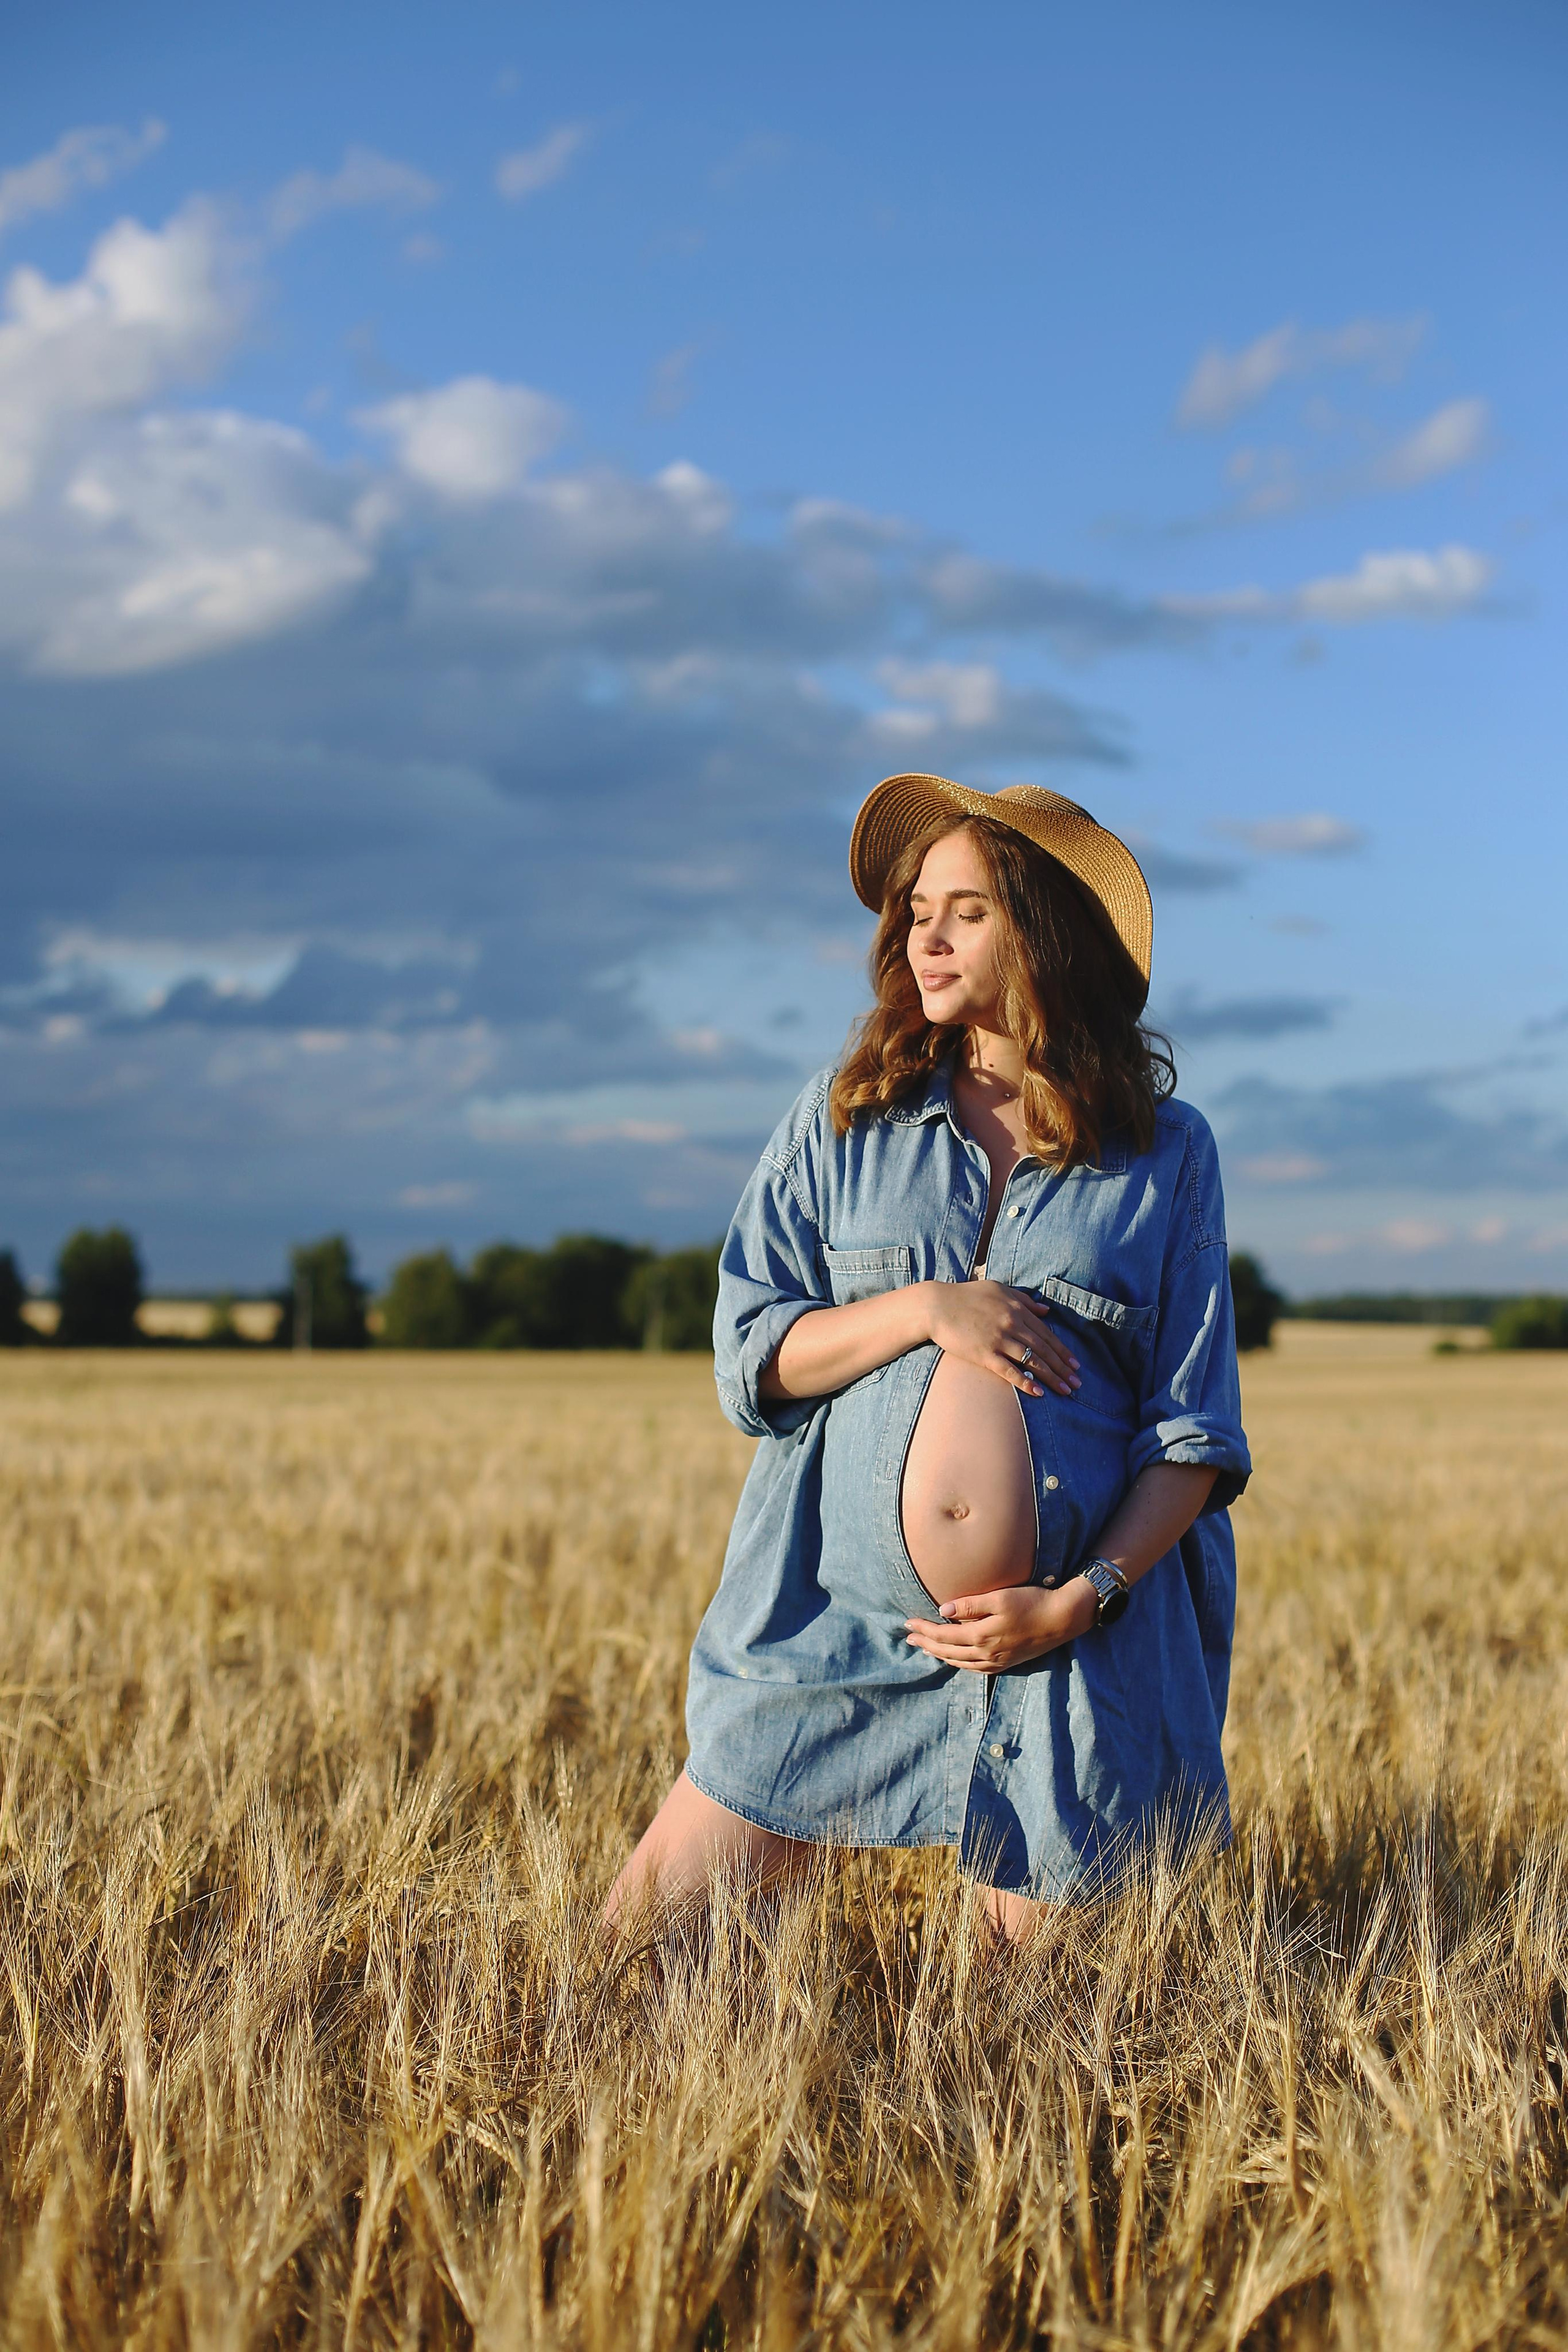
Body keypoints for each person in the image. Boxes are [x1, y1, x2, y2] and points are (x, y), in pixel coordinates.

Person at [606, 775, 1251, 1941]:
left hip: (1063, 1661)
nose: (926, 936)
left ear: (1043, 931)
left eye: (968, 910)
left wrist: (1078, 1600)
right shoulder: (845, 1117)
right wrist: (924, 1309)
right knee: (640, 1955)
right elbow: (751, 1359)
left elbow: (1194, 1430)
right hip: (832, 1630)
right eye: (917, 911)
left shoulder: (1164, 1151)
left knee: (1023, 2062)